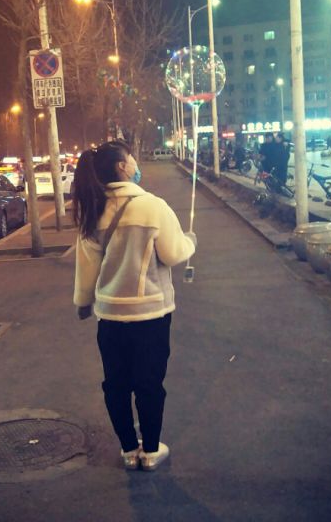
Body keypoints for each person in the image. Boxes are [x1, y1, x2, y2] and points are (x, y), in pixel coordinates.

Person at [72, 140, 196, 472]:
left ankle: (128, 449)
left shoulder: (94, 211)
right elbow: (173, 253)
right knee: (149, 384)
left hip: (110, 317)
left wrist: (83, 302)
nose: (135, 163)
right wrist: (190, 242)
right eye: (131, 158)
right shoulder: (153, 206)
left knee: (116, 385)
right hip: (151, 315)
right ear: (122, 167)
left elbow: (86, 269)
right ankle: (151, 451)